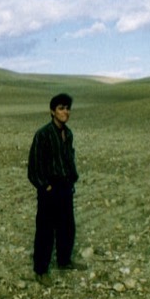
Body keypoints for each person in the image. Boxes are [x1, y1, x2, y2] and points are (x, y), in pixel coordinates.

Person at [28, 93, 85, 286]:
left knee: (67, 226)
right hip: (49, 189)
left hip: (65, 187)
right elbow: (33, 167)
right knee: (45, 230)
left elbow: (68, 159)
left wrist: (72, 179)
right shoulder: (42, 134)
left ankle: (64, 261)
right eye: (61, 108)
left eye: (67, 108)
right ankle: (41, 270)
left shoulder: (67, 134)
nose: (66, 112)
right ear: (52, 111)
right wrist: (46, 186)